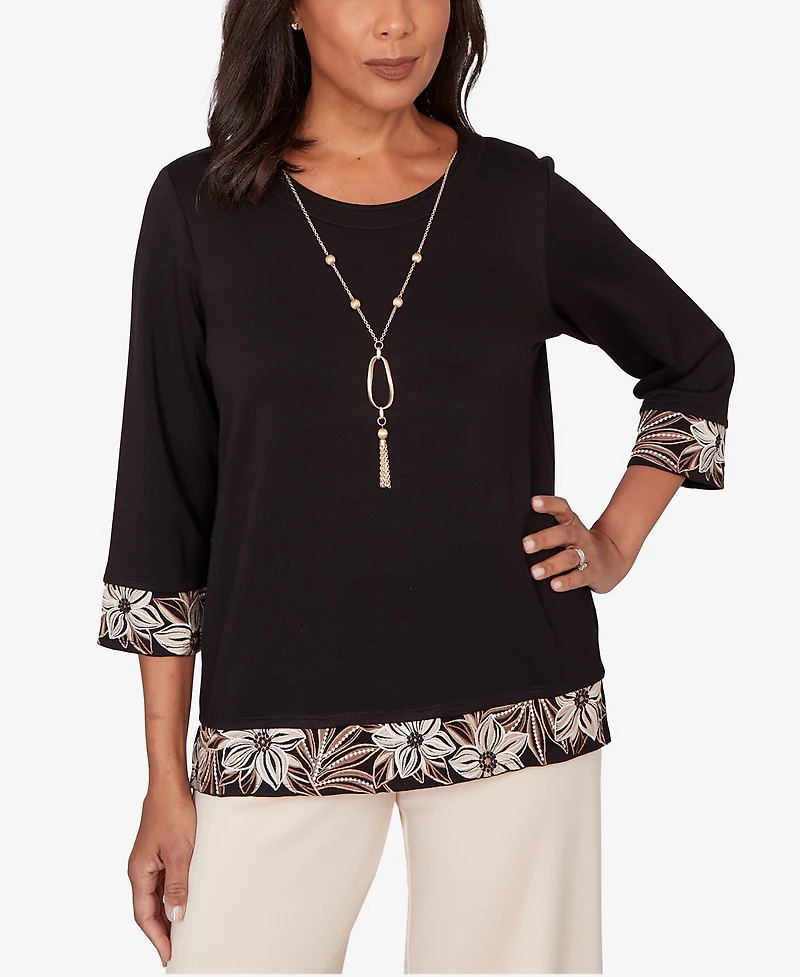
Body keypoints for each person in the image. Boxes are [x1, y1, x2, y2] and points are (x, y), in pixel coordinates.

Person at [96, 1, 735, 973]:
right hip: (274, 715)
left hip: (515, 706)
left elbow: (692, 360)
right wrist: (163, 779)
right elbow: (163, 493)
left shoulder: (514, 198)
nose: (396, 23)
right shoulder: (199, 206)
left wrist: (614, 540)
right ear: (291, 11)